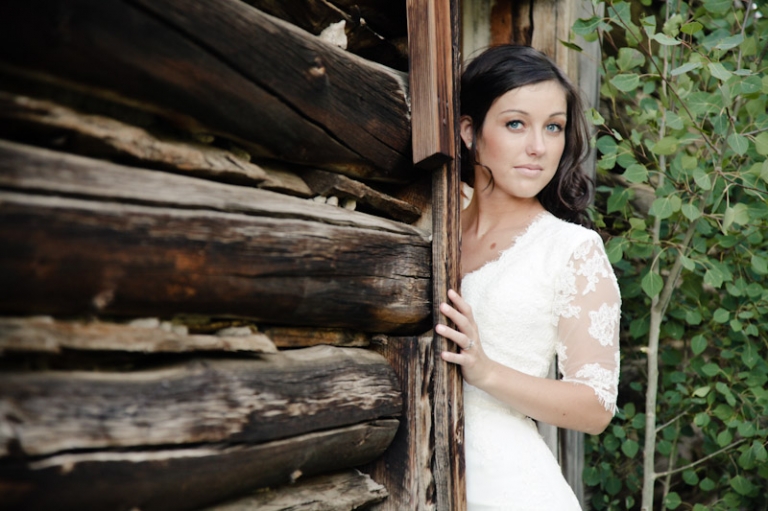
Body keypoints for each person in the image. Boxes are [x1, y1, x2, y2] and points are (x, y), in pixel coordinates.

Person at [436, 45, 621, 510]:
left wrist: (486, 371)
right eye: (516, 124)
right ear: (470, 132)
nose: (539, 147)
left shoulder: (571, 249)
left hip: (509, 490)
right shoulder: (433, 224)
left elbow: (596, 407)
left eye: (553, 127)